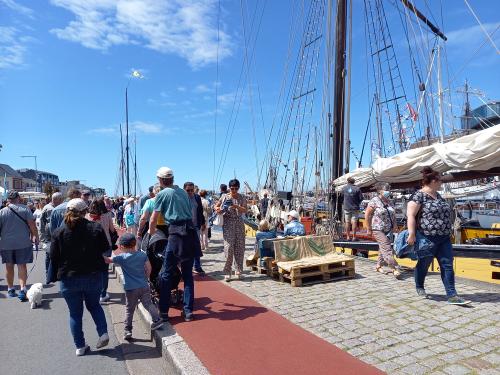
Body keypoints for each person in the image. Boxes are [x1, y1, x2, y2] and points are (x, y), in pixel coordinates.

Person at [49, 198, 110, 356]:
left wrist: (53, 275)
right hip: (92, 275)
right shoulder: (94, 227)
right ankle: (103, 332)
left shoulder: (59, 232)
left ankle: (80, 346)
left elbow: (53, 257)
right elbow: (105, 248)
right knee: (95, 306)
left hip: (69, 278)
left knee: (75, 314)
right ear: (85, 212)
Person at [407, 167, 470, 305]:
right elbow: (410, 215)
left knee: (447, 265)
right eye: (440, 180)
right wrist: (411, 234)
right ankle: (419, 286)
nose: (442, 183)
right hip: (426, 237)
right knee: (424, 264)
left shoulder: (438, 196)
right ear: (433, 181)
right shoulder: (418, 195)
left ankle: (452, 295)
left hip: (444, 238)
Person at [149, 167, 200, 322]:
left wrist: (151, 235)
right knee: (187, 275)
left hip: (176, 233)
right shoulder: (183, 192)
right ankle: (188, 311)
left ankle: (164, 312)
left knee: (166, 273)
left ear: (160, 180)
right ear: (172, 178)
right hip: (190, 233)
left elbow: (153, 218)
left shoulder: (162, 194)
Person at [104, 233, 163, 340]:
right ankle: (157, 320)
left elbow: (108, 260)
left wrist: (99, 254)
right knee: (148, 304)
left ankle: (128, 330)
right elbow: (149, 268)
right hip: (144, 285)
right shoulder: (142, 255)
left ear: (122, 246)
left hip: (130, 288)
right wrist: (146, 278)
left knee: (129, 309)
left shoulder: (122, 257)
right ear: (135, 244)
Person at [0, 191, 39, 301]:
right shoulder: (25, 209)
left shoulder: (2, 211)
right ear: (18, 198)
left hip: (6, 244)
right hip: (23, 242)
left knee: (9, 266)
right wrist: (36, 237)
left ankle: (10, 289)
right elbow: (32, 225)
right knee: (22, 266)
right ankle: (22, 289)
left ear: (8, 199)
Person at [365, 182, 401, 278]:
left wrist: (395, 226)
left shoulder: (390, 201)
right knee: (387, 247)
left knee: (383, 248)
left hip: (388, 228)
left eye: (389, 189)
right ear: (380, 191)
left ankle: (378, 265)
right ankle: (395, 267)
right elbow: (367, 214)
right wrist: (368, 228)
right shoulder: (374, 200)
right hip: (377, 228)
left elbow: (393, 215)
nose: (388, 191)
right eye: (386, 189)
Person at [215, 179, 247, 282]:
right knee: (228, 248)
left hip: (239, 223)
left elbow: (245, 210)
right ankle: (227, 271)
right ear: (229, 188)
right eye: (232, 188)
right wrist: (218, 209)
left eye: (236, 188)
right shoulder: (224, 196)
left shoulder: (241, 197)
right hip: (228, 223)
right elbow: (216, 205)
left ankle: (238, 270)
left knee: (239, 247)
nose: (234, 190)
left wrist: (237, 206)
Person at [87, 198, 117, 303]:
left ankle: (94, 292)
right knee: (104, 270)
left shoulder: (88, 216)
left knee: (94, 269)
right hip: (106, 244)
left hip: (92, 245)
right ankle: (103, 294)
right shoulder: (108, 215)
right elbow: (112, 229)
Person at [184, 182, 206, 275]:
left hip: (196, 226)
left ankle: (197, 266)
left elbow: (200, 210)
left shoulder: (197, 197)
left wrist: (203, 222)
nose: (190, 192)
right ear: (184, 190)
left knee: (196, 247)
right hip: (185, 227)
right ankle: (186, 267)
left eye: (191, 190)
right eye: (188, 190)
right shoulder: (181, 198)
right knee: (185, 248)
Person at [40, 192, 64, 273]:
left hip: (57, 234)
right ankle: (48, 271)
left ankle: (54, 271)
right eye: (61, 199)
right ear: (57, 200)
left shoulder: (60, 207)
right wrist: (42, 237)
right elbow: (42, 223)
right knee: (49, 254)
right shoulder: (48, 208)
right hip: (50, 235)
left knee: (56, 253)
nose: (62, 200)